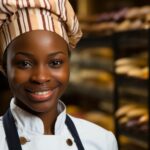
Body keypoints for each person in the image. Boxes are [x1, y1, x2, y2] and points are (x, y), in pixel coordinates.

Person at [0, 0, 118, 150]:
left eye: (55, 63)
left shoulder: (102, 141)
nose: (41, 77)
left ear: (69, 63)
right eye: (24, 63)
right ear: (4, 67)